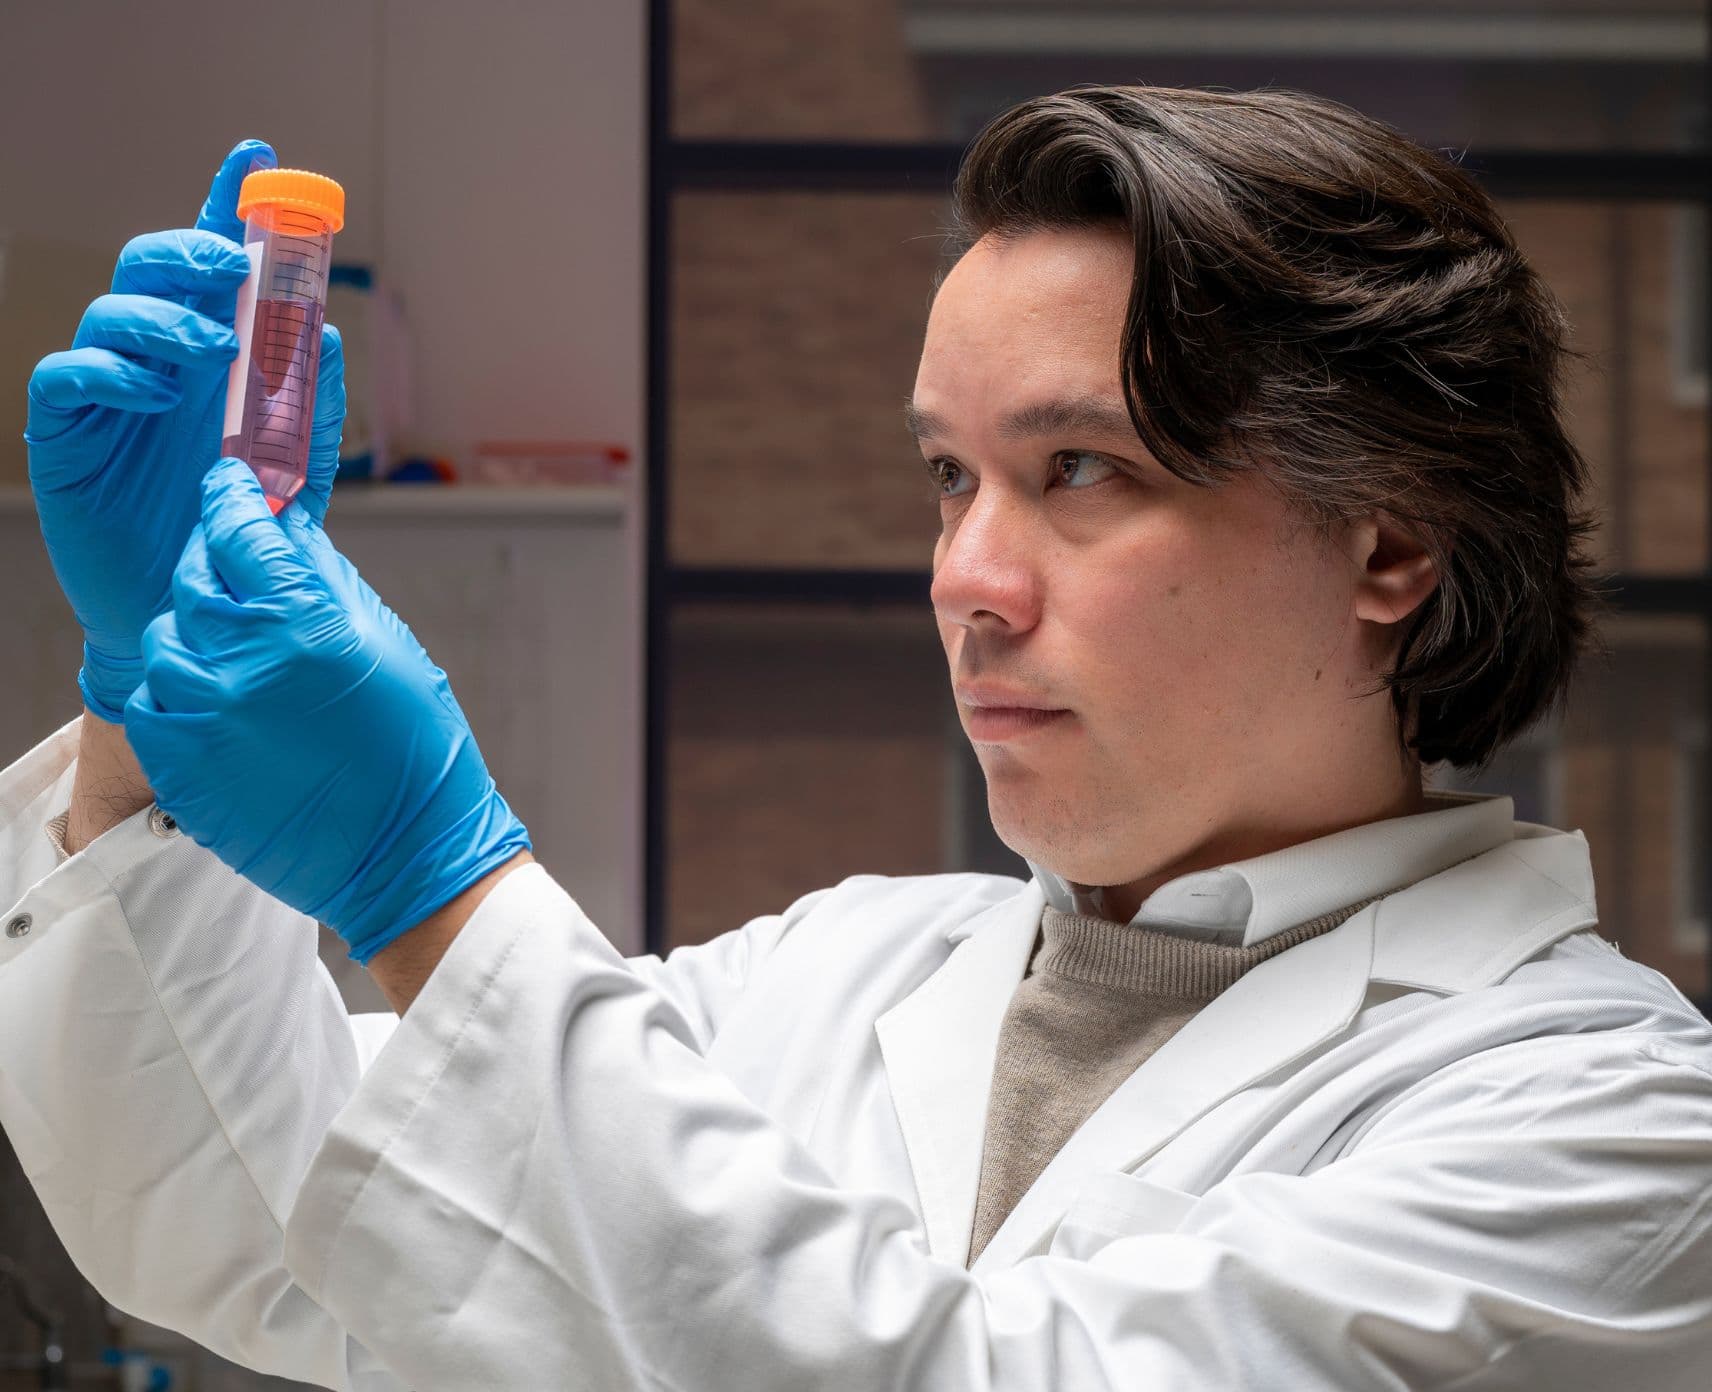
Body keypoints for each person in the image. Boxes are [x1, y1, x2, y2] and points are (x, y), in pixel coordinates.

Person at [2, 86, 1710, 1392]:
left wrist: (432, 884)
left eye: (1081, 472)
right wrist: (144, 698)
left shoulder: (1612, 1129)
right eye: (950, 478)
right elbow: (252, 1211)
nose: (965, 576)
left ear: (1391, 547)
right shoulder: (847, 973)